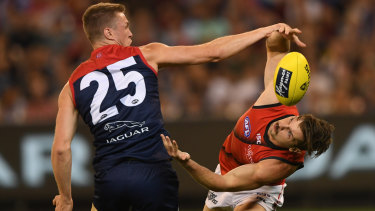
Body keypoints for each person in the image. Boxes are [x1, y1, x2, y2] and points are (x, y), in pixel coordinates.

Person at [51, 2, 306, 211]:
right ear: (108, 33)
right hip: (154, 172)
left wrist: (65, 197)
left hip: (110, 177)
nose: (130, 33)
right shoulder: (146, 54)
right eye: (125, 26)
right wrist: (262, 31)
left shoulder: (71, 85)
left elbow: (62, 149)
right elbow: (212, 52)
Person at [161, 31, 335, 211]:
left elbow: (222, 183)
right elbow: (275, 50)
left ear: (294, 148)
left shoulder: (276, 165)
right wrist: (281, 32)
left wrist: (185, 161)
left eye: (289, 133)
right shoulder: (277, 101)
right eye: (292, 121)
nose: (282, 125)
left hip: (260, 189)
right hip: (229, 169)